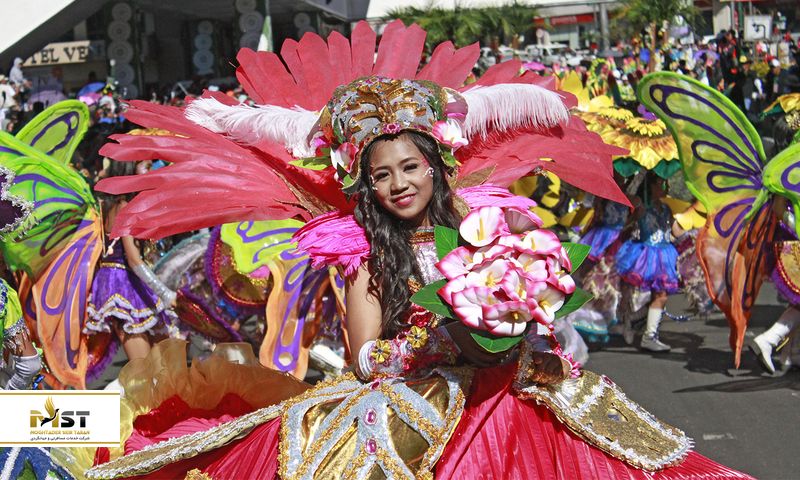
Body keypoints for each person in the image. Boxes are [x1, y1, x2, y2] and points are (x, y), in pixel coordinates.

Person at [85, 23, 750, 479]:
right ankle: (55, 427)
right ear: (367, 185)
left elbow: (542, 301)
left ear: (435, 166)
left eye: (410, 167)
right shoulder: (367, 255)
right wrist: (434, 344)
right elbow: (363, 355)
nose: (399, 184)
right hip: (424, 408)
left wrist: (518, 318)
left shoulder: (490, 224)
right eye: (382, 175)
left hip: (515, 393)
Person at [83, 160, 177, 363]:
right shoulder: (124, 206)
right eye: (146, 165)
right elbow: (134, 259)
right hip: (121, 283)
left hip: (123, 280)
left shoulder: (107, 205)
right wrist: (165, 294)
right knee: (146, 370)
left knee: (162, 364)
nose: (150, 170)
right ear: (129, 168)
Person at [617, 174, 680, 352]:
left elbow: (675, 231)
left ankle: (635, 322)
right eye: (661, 183)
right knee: (660, 296)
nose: (665, 187)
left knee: (658, 296)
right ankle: (648, 335)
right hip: (648, 255)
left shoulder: (667, 208)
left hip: (665, 254)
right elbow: (627, 223)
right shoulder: (642, 207)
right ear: (650, 186)